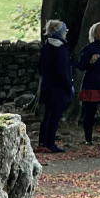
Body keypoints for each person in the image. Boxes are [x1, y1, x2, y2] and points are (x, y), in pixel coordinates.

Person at [37, 19, 74, 153]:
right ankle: (49, 143)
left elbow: (40, 68)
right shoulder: (60, 48)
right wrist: (69, 86)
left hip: (48, 87)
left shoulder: (46, 46)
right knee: (54, 117)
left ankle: (42, 142)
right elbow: (63, 70)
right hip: (59, 89)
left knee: (47, 115)